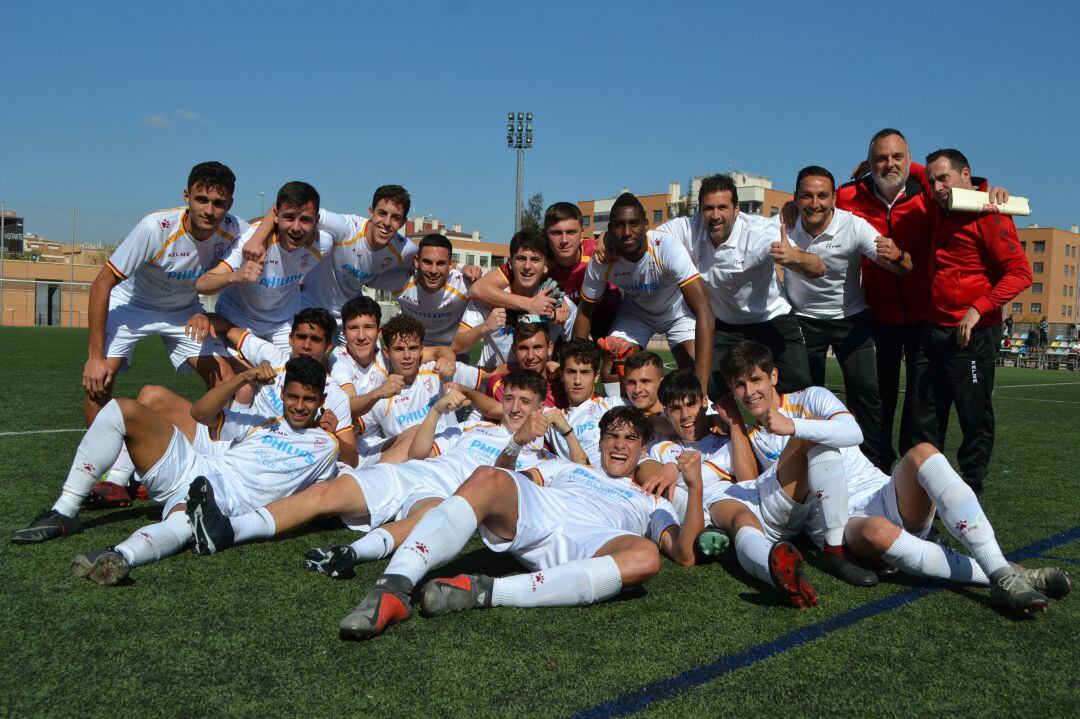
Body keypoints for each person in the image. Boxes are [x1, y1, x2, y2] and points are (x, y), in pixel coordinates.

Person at [337, 405, 704, 640]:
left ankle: (486, 592)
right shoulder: (567, 467)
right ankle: (391, 588)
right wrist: (515, 445)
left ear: (643, 448)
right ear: (602, 441)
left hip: (595, 543)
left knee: (645, 557)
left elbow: (684, 555)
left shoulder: (651, 499)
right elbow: (506, 481)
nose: (620, 445)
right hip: (544, 511)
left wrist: (695, 486)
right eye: (612, 436)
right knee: (487, 477)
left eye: (630, 438)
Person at [183, 373, 571, 573]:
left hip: (449, 497)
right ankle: (229, 530)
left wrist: (528, 439)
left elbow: (501, 475)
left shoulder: (540, 456)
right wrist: (436, 412)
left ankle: (350, 554)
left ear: (541, 408)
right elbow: (419, 452)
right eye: (510, 399)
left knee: (427, 519)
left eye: (526, 402)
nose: (516, 408)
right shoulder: (473, 428)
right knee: (326, 494)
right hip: (415, 474)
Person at [11, 358, 340, 584]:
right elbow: (200, 412)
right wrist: (243, 378)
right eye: (292, 396)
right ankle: (65, 510)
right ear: (282, 394)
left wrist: (338, 429)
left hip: (222, 500)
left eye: (308, 399)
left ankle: (119, 555)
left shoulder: (327, 444)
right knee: (122, 409)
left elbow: (328, 493)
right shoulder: (264, 423)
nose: (299, 405)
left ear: (321, 399)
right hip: (195, 466)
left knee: (183, 521)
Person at [82, 161, 248, 424]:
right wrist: (94, 357)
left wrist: (271, 218)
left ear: (229, 204)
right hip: (132, 305)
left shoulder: (235, 229)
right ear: (186, 197)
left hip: (184, 310)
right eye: (201, 199)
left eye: (218, 202)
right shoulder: (154, 228)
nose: (209, 210)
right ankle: (100, 464)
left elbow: (263, 229)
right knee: (99, 379)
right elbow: (101, 284)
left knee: (225, 379)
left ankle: (216, 452)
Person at [910, 149, 1033, 495]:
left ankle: (970, 486)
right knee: (924, 413)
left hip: (973, 332)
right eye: (931, 181)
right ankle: (924, 485)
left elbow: (1021, 273)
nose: (935, 186)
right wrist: (866, 167)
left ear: (966, 174)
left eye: (943, 179)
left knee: (973, 413)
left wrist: (979, 308)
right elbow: (913, 167)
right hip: (934, 328)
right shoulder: (939, 202)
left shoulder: (990, 212)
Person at [783, 166, 912, 472]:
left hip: (851, 319)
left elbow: (902, 268)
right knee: (803, 398)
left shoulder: (853, 226)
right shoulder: (782, 225)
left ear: (835, 198)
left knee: (867, 392)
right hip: (803, 320)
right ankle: (805, 466)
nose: (815, 203)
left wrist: (898, 256)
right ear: (796, 198)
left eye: (822, 196)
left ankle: (874, 466)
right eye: (807, 196)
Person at [659, 174, 816, 396]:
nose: (715, 216)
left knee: (798, 386)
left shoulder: (759, 233)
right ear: (699, 210)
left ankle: (788, 429)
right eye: (708, 208)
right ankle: (726, 429)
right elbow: (645, 241)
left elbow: (818, 268)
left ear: (736, 209)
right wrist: (608, 238)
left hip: (771, 318)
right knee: (711, 387)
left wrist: (796, 258)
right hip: (726, 324)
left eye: (722, 207)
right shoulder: (687, 229)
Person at [836, 130, 934, 468]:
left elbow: (962, 186)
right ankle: (875, 468)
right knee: (878, 400)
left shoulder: (928, 195)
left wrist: (916, 167)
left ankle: (915, 470)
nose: (889, 164)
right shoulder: (849, 196)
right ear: (869, 162)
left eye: (897, 157)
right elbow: (813, 201)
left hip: (925, 314)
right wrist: (791, 208)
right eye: (881, 158)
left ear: (910, 160)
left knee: (922, 401)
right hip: (877, 316)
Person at [573, 192, 715, 397]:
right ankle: (622, 421)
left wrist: (701, 388)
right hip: (637, 315)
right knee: (613, 369)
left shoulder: (666, 247)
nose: (627, 232)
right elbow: (585, 310)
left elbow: (704, 310)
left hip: (676, 314)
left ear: (646, 225)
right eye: (619, 225)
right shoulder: (603, 259)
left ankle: (695, 416)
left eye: (634, 224)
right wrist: (576, 362)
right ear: (610, 229)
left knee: (695, 365)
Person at [242, 185, 416, 329]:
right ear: (371, 212)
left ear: (402, 222)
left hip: (347, 317)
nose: (386, 223)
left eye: (395, 218)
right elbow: (285, 209)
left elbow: (434, 260)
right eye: (382, 213)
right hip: (309, 307)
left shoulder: (405, 250)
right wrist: (257, 238)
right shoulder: (346, 227)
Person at [198, 181, 332, 351]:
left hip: (283, 322)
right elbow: (203, 283)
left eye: (305, 220)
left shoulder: (323, 243)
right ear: (276, 216)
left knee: (301, 373)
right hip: (239, 318)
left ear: (316, 221)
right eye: (289, 217)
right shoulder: (251, 241)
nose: (296, 228)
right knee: (241, 376)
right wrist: (237, 275)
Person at [468, 201, 621, 339]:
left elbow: (625, 239)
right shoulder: (537, 260)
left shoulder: (597, 251)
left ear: (583, 231)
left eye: (571, 232)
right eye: (556, 233)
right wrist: (528, 304)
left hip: (606, 315)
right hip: (564, 322)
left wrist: (605, 236)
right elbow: (478, 289)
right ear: (544, 233)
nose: (564, 240)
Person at [455, 229, 576, 369]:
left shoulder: (562, 306)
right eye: (521, 259)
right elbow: (456, 346)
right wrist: (485, 327)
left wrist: (557, 367)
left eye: (535, 260)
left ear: (546, 266)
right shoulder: (487, 298)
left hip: (537, 386)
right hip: (492, 384)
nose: (527, 267)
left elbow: (575, 356)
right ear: (510, 263)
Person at [544, 339, 624, 467]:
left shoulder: (613, 405)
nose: (577, 381)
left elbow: (656, 416)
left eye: (585, 372)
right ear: (561, 374)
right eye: (571, 372)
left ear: (596, 375)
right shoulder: (552, 418)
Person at [392, 233, 474, 348]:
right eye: (427, 262)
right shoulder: (401, 282)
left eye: (440, 263)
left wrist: (463, 267)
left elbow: (495, 285)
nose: (433, 270)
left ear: (450, 265)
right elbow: (367, 275)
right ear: (416, 261)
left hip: (451, 352)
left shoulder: (464, 285)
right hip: (415, 349)